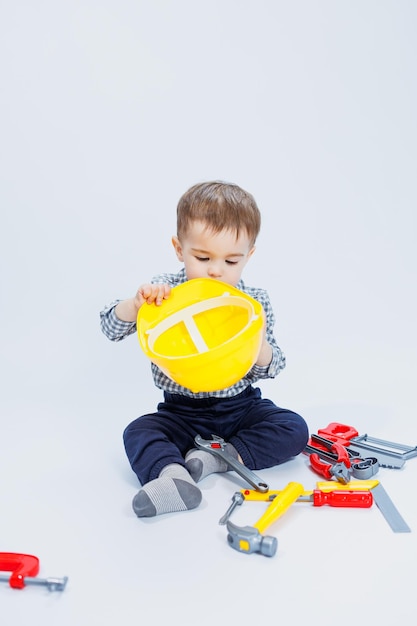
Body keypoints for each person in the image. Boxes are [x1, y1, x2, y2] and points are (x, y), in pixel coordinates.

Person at [100, 181, 309, 518]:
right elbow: (111, 327)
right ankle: (174, 477)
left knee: (294, 429)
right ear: (179, 248)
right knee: (139, 432)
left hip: (240, 409)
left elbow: (274, 365)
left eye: (231, 260)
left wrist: (259, 349)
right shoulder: (164, 295)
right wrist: (136, 305)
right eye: (202, 257)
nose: (215, 270)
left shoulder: (254, 303)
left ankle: (217, 458)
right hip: (181, 412)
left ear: (249, 256)